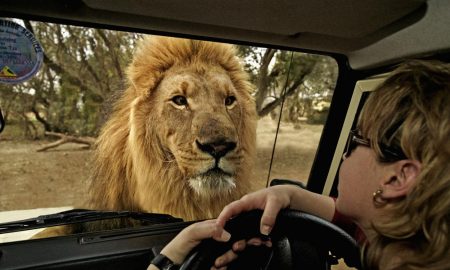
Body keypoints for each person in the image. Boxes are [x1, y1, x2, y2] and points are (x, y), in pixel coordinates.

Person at [148, 60, 450, 270]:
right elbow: (342, 215)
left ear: (398, 179)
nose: (345, 154)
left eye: (356, 140)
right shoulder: (394, 238)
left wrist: (169, 257)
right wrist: (290, 196)